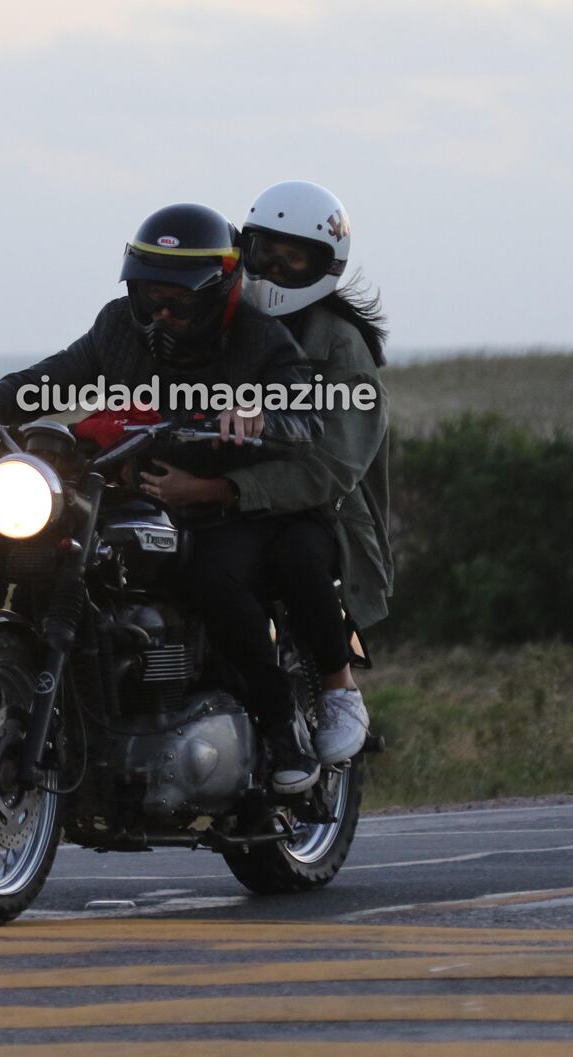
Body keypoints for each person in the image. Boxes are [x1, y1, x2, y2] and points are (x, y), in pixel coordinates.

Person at [0, 202, 330, 793]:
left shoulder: (258, 337)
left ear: (219, 288)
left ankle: (280, 728)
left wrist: (258, 414)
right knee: (47, 548)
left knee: (211, 583)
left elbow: (308, 410)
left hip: (219, 502)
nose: (161, 312)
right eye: (150, 296)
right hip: (131, 486)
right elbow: (59, 375)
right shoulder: (120, 327)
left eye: (178, 300)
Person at [139, 180, 391, 770]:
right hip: (235, 507)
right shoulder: (222, 318)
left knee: (297, 561)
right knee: (179, 567)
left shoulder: (340, 349)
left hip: (320, 511)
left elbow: (333, 467)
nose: (275, 267)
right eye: (265, 251)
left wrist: (216, 488)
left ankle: (337, 690)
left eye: (294, 256)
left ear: (323, 266)